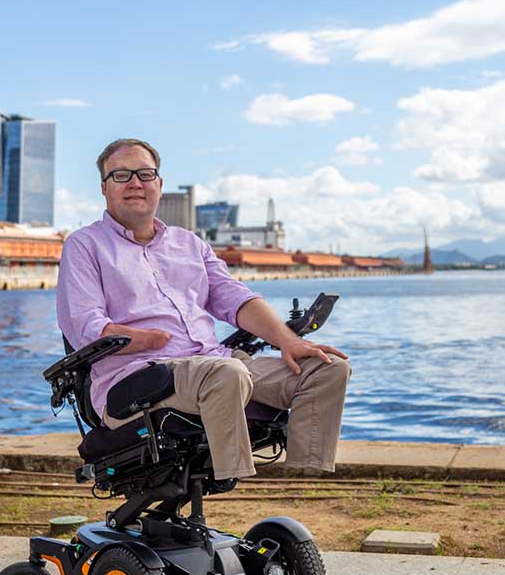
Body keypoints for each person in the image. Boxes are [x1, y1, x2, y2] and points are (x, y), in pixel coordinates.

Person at [56, 138, 350, 483]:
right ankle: (231, 477)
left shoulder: (189, 243)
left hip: (214, 364)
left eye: (145, 174)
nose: (135, 183)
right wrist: (144, 339)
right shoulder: (84, 245)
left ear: (159, 184)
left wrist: (290, 342)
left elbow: (235, 297)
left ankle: (301, 476)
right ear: (104, 188)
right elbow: (85, 326)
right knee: (226, 373)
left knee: (327, 368)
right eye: (121, 175)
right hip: (141, 379)